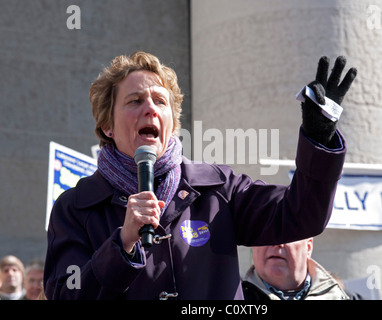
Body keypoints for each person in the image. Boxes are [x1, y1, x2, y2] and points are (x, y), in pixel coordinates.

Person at [44, 51, 357, 300]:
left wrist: (319, 139)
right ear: (107, 126)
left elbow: (301, 216)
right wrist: (123, 243)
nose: (150, 108)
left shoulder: (218, 189)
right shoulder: (75, 208)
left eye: (160, 101)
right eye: (135, 101)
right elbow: (65, 294)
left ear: (172, 122)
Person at [242, 238, 349, 300]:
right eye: (266, 234)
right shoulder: (231, 297)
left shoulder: (345, 297)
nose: (276, 244)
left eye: (288, 234)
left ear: (308, 247)